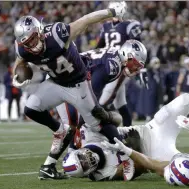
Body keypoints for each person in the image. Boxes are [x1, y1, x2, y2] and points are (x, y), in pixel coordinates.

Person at [11, 2, 133, 180]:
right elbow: (20, 59)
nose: (33, 45)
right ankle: (58, 133)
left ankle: (126, 158)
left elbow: (86, 20)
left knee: (98, 124)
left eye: (34, 39)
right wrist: (17, 75)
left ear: (40, 32)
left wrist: (111, 12)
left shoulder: (57, 35)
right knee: (31, 108)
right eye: (28, 43)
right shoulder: (22, 48)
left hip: (78, 84)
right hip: (54, 83)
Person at [41, 39, 147, 180]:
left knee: (87, 122)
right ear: (126, 55)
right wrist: (81, 125)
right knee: (75, 126)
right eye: (135, 64)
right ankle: (51, 165)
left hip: (70, 79)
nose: (136, 69)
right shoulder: (112, 65)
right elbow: (89, 95)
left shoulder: (116, 62)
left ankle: (57, 162)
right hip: (63, 79)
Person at [62, 93, 189, 180]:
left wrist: (108, 117)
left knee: (185, 100)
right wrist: (130, 149)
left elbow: (118, 119)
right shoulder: (102, 174)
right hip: (153, 154)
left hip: (150, 129)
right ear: (86, 174)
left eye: (81, 158)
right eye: (84, 166)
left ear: (78, 151)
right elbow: (140, 168)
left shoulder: (87, 134)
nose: (87, 161)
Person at [96, 2, 144, 127]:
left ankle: (94, 126)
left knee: (106, 95)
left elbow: (137, 45)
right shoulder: (106, 26)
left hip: (121, 66)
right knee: (120, 103)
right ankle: (129, 130)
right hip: (108, 64)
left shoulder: (129, 25)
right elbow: (99, 46)